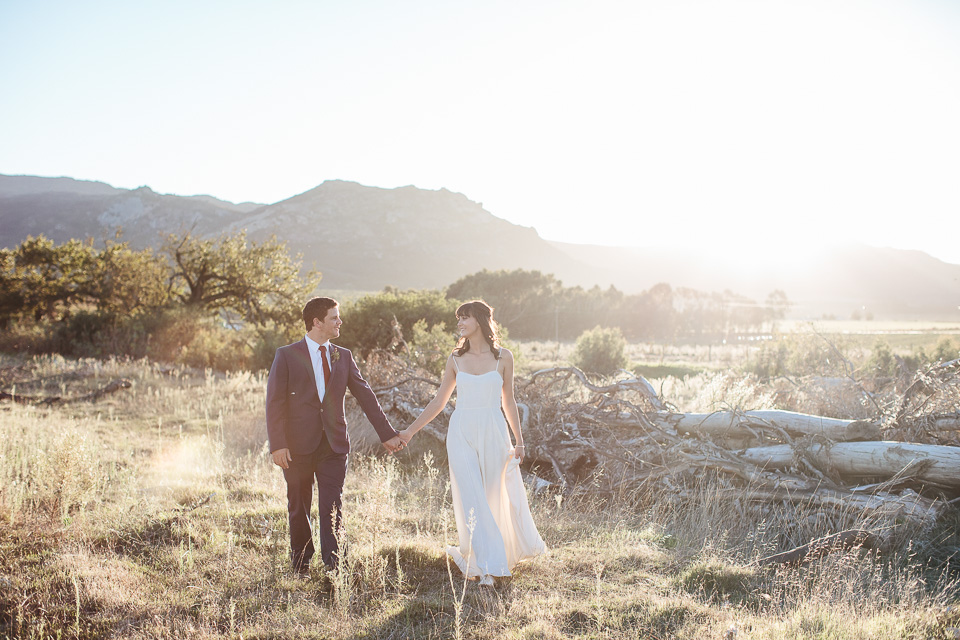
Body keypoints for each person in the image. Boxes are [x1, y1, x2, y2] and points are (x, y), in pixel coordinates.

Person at [398, 300, 546, 586]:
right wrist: (410, 431)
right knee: (472, 497)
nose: (460, 323)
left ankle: (491, 557)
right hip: (461, 431)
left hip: (493, 431)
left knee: (491, 495)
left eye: (464, 318)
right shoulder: (455, 358)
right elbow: (439, 402)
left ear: (479, 320)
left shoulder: (504, 357)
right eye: (459, 319)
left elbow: (509, 400)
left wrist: (519, 441)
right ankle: (489, 568)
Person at [266, 296, 404, 576]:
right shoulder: (287, 354)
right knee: (298, 505)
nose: (340, 322)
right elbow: (274, 402)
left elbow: (365, 396)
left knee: (332, 505)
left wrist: (387, 434)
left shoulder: (344, 356)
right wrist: (278, 445)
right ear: (317, 322)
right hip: (296, 446)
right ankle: (301, 564)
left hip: (334, 444)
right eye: (334, 318)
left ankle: (335, 566)